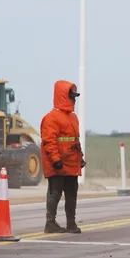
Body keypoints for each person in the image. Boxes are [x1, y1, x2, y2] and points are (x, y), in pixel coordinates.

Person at [41, 80, 85, 234]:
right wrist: (56, 160)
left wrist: (80, 158)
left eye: (74, 96)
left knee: (72, 194)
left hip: (71, 163)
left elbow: (75, 141)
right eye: (71, 96)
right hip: (57, 164)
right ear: (63, 96)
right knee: (55, 193)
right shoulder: (51, 118)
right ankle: (50, 223)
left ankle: (71, 223)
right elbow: (49, 141)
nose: (74, 99)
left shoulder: (73, 117)